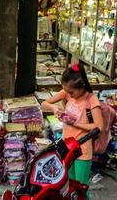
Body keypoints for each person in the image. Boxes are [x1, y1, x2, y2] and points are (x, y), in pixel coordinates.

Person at [41, 63, 103, 195]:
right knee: (68, 186)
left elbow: (99, 127)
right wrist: (55, 109)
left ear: (82, 87)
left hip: (82, 150)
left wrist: (74, 123)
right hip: (66, 147)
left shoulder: (91, 100)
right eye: (66, 91)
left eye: (71, 92)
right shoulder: (67, 93)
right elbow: (44, 103)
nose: (69, 94)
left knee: (81, 189)